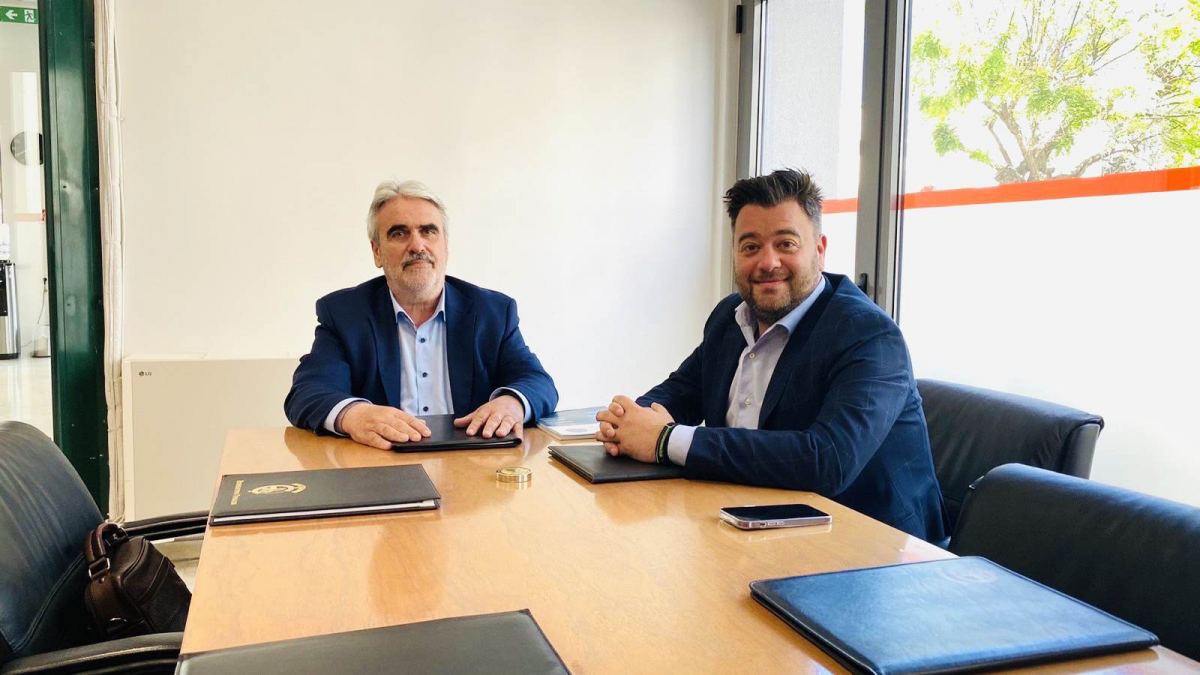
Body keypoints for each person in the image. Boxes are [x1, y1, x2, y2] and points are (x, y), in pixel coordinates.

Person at [597, 169, 944, 541]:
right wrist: (628, 422)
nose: (767, 262)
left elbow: (828, 460)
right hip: (750, 524)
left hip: (872, 547)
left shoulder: (870, 336)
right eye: (750, 247)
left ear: (820, 250)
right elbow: (682, 391)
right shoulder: (730, 317)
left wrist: (666, 441)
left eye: (786, 244)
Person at [285, 179, 558, 449]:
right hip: (381, 463)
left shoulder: (492, 312)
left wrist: (512, 403)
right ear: (377, 252)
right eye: (399, 233)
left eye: (428, 231)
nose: (417, 246)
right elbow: (308, 392)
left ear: (446, 246)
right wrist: (354, 415)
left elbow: (537, 382)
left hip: (472, 462)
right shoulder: (344, 314)